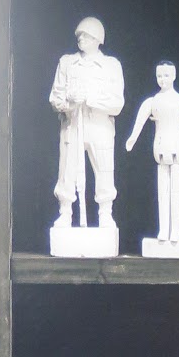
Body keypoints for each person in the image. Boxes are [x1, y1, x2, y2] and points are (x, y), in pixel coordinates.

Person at [49, 16, 125, 230]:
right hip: (73, 124)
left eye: (86, 35)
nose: (80, 38)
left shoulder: (111, 65)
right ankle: (65, 212)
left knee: (105, 170)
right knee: (67, 170)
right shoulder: (67, 63)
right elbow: (55, 98)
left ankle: (105, 213)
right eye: (79, 35)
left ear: (97, 39)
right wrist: (71, 101)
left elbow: (117, 103)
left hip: (100, 127)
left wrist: (92, 100)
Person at [123, 62, 179, 243]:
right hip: (160, 148)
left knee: (176, 192)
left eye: (166, 75)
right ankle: (163, 229)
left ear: (174, 76)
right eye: (159, 76)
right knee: (162, 193)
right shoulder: (152, 102)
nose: (162, 79)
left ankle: (175, 230)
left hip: (177, 148)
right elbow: (139, 122)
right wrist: (132, 138)